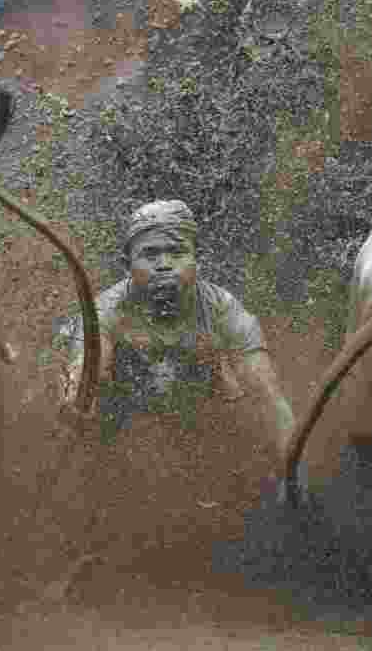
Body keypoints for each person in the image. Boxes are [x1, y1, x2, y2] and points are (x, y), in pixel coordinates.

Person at [58, 200, 296, 474]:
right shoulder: (105, 313)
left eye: (176, 252)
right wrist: (77, 395)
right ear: (127, 264)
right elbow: (80, 381)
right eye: (150, 254)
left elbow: (269, 397)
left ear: (198, 257)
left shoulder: (223, 310)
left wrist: (293, 467)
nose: (163, 264)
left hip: (205, 432)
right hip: (122, 433)